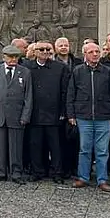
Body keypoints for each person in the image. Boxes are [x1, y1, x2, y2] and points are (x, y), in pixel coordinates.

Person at [68, 42, 110, 193]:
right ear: (85, 54)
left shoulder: (108, 72)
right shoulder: (78, 71)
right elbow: (71, 94)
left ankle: (102, 179)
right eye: (91, 52)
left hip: (103, 117)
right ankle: (83, 177)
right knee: (84, 149)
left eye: (97, 51)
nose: (95, 54)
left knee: (102, 150)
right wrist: (71, 114)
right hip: (83, 117)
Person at [0, 45, 33, 183]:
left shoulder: (25, 72)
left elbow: (28, 96)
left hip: (17, 115)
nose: (13, 59)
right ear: (4, 57)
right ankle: (0, 171)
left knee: (16, 146)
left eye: (16, 57)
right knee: (0, 146)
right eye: (10, 57)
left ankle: (16, 172)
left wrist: (25, 116)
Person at [28, 41, 68, 183]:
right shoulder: (28, 68)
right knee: (35, 144)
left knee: (55, 145)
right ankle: (37, 171)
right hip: (35, 113)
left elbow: (65, 91)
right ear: (35, 52)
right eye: (41, 49)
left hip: (54, 113)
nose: (45, 51)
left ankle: (57, 172)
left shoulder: (60, 68)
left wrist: (63, 111)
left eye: (48, 49)